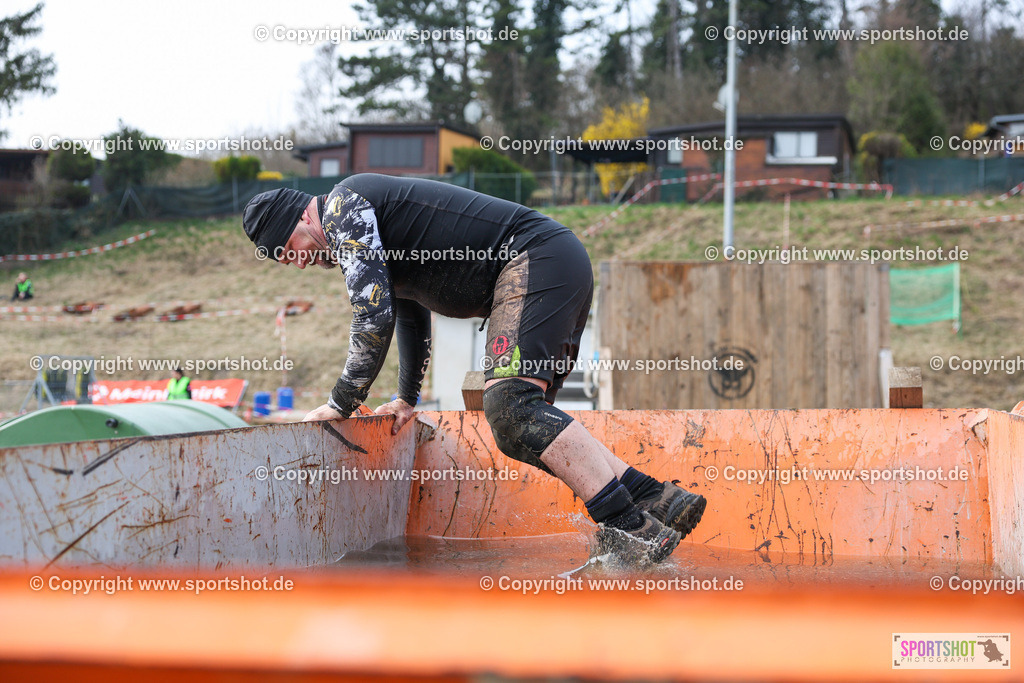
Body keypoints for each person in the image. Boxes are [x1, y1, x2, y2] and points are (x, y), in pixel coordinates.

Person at [242, 174, 707, 566]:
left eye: (291, 248)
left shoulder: (343, 207)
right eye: (287, 260)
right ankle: (653, 498)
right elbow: (405, 312)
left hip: (535, 259)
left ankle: (628, 526)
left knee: (511, 408)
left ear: (305, 217)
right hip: (548, 263)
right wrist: (407, 396)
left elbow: (372, 314)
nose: (300, 261)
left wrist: (339, 402)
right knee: (520, 420)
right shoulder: (362, 223)